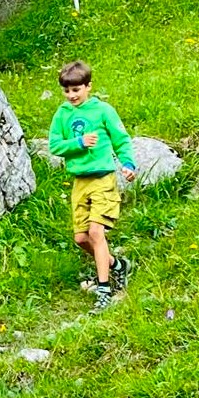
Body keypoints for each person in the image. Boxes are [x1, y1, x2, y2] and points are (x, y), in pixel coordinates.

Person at [48, 61, 136, 310]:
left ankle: (104, 290)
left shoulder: (103, 110)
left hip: (103, 178)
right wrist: (78, 142)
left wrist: (128, 163)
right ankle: (118, 266)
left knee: (97, 233)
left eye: (76, 90)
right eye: (67, 91)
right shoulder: (62, 114)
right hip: (80, 182)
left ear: (88, 87)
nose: (71, 95)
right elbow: (55, 145)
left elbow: (121, 138)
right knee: (80, 238)